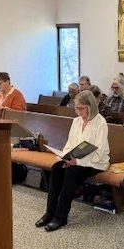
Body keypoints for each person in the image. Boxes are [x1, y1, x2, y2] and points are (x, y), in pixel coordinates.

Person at [35, 90, 110, 232]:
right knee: (57, 168)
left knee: (71, 173)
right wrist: (66, 157)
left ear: (91, 106)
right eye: (77, 108)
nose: (79, 111)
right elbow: (70, 144)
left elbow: (99, 150)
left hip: (95, 162)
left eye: (82, 108)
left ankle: (61, 217)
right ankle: (49, 213)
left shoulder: (100, 122)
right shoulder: (76, 121)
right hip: (75, 159)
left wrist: (78, 162)